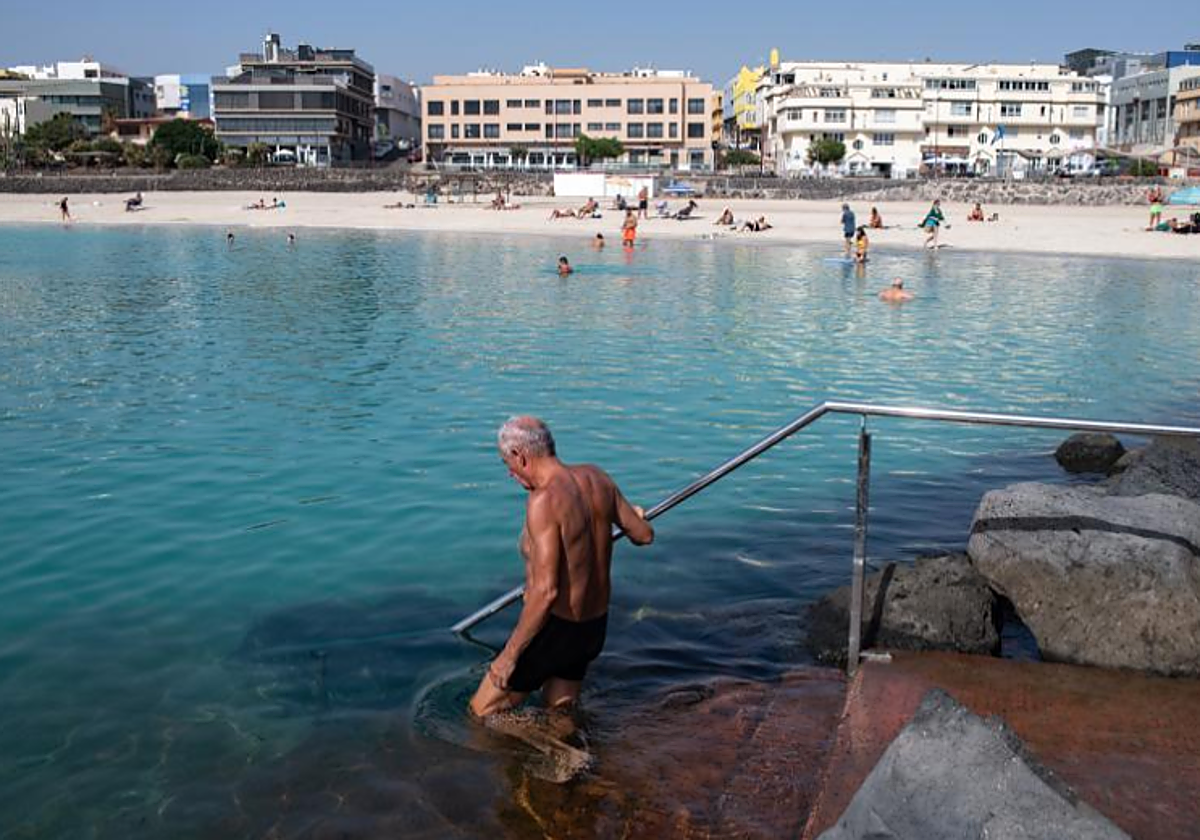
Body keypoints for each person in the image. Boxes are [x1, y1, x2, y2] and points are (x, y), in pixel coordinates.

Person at [469, 417, 654, 718]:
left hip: (557, 627)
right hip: (593, 628)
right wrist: (635, 515)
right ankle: (569, 759)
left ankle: (537, 753)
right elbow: (644, 535)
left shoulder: (544, 500)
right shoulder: (598, 478)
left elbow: (546, 591)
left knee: (480, 713)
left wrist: (508, 656)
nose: (509, 473)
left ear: (520, 455)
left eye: (507, 463)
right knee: (560, 715)